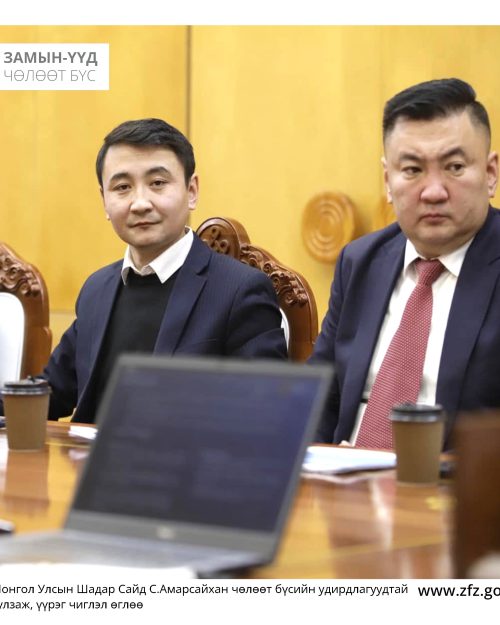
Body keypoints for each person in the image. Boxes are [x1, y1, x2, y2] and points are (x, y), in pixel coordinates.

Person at [19, 118, 287, 423]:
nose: (140, 203)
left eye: (157, 183)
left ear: (191, 191)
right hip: (93, 455)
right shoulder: (97, 288)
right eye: (122, 187)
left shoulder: (239, 290)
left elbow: (264, 415)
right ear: (104, 201)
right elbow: (51, 391)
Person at [310, 78, 499, 450]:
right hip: (344, 473)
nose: (433, 191)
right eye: (412, 170)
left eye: (455, 167)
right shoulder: (360, 261)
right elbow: (320, 397)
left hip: (456, 480)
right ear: (387, 180)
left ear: (490, 173)